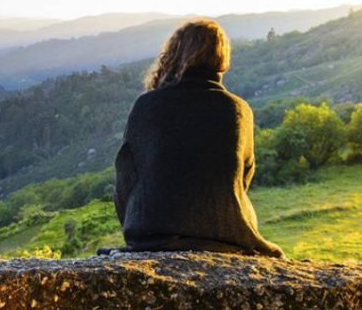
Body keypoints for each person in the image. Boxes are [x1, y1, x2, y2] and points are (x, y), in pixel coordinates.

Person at [110, 19, 283, 257]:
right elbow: (243, 177)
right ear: (222, 59)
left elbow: (126, 177)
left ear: (173, 54)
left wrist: (140, 224)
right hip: (228, 236)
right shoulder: (239, 110)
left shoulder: (147, 106)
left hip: (152, 235)